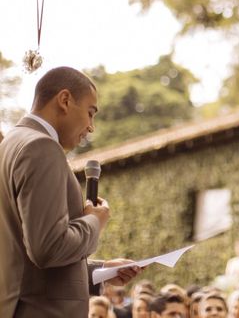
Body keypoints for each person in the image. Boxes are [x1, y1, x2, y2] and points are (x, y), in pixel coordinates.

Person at [0, 66, 141, 317]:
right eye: (90, 113)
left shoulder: (10, 144)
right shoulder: (41, 147)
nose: (91, 127)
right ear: (65, 100)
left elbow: (22, 262)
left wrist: (101, 273)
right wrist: (94, 222)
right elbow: (48, 248)